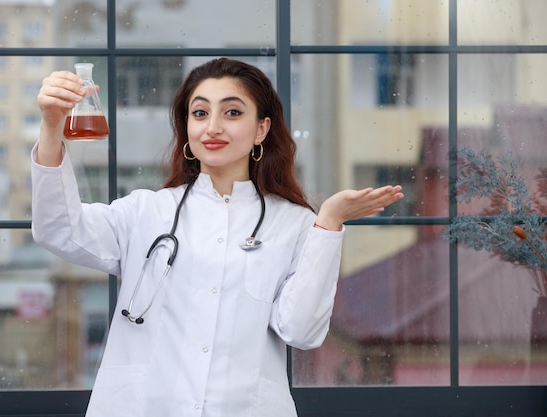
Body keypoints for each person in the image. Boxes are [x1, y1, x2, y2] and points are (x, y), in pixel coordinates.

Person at [32, 58, 403, 417]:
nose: (212, 127)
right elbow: (59, 229)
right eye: (199, 113)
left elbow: (302, 331)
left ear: (262, 129)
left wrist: (330, 222)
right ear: (186, 128)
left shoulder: (295, 224)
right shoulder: (145, 213)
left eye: (232, 112)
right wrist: (51, 127)